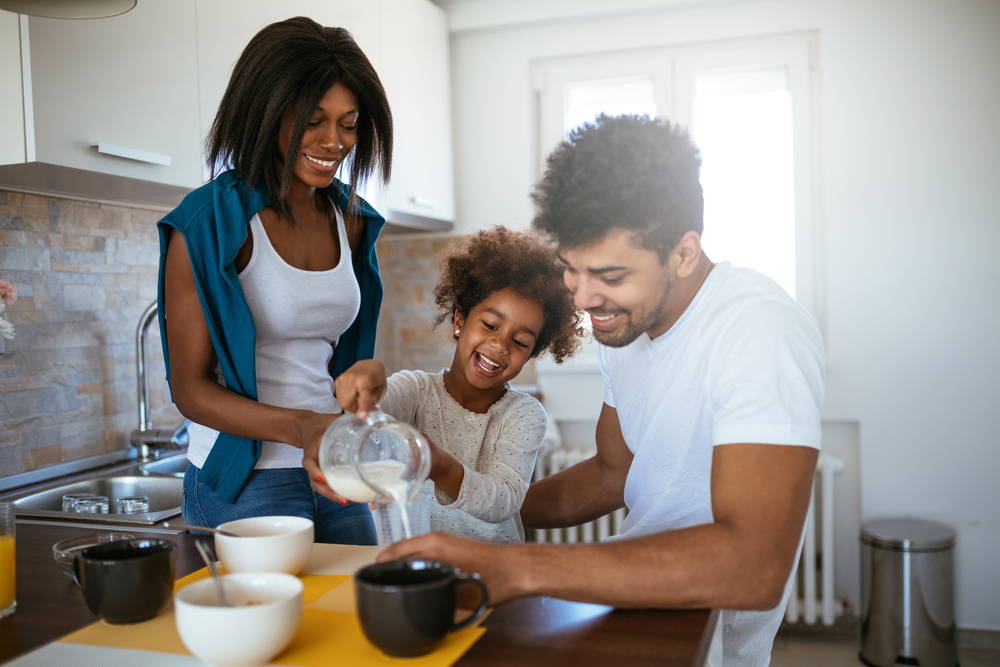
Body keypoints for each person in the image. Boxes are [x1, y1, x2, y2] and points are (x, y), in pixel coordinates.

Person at [379, 115, 825, 666]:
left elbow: (753, 565)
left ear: (683, 253)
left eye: (610, 276)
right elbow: (615, 471)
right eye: (572, 270)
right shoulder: (625, 334)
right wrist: (478, 513)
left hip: (705, 631)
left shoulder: (758, 330)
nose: (586, 299)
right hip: (631, 600)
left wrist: (516, 569)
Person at [156, 17, 393, 544]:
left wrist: (366, 376)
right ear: (264, 113)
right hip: (246, 479)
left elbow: (337, 360)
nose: (334, 142)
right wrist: (303, 427)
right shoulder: (208, 224)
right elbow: (190, 390)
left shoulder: (353, 221)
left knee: (352, 613)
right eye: (312, 121)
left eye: (349, 124)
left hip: (332, 466)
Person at [331, 226, 581, 542]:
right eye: (490, 325)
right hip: (418, 565)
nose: (500, 345)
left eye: (519, 342)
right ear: (460, 320)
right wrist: (369, 376)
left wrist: (442, 467)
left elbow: (504, 500)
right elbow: (366, 414)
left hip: (494, 571)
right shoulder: (415, 391)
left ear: (532, 354)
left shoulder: (524, 415)